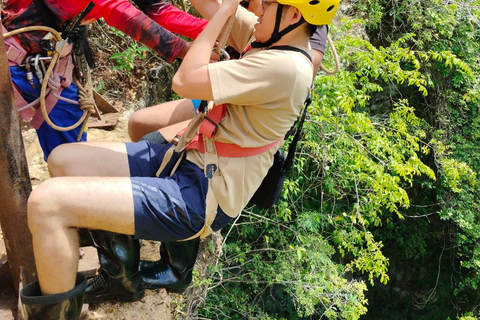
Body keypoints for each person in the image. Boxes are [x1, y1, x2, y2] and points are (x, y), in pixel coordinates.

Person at [20, 0, 339, 318]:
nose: (257, 9)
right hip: (185, 159)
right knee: (64, 159)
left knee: (47, 204)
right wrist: (226, 8)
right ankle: (120, 275)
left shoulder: (284, 67)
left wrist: (227, 12)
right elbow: (209, 4)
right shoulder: (271, 38)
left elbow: (184, 80)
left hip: (200, 194)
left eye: (267, 4)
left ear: (294, 15)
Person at [127, 0, 329, 293]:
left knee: (165, 150)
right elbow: (218, 8)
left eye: (268, 3)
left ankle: (176, 267)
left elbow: (300, 67)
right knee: (140, 125)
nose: (260, 7)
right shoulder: (270, 20)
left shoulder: (297, 35)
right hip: (224, 95)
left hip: (242, 103)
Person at [1, 0, 210, 160]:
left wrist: (221, 32)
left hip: (41, 61)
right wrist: (186, 50)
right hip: (24, 63)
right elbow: (118, 10)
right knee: (70, 152)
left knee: (67, 134)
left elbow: (161, 11)